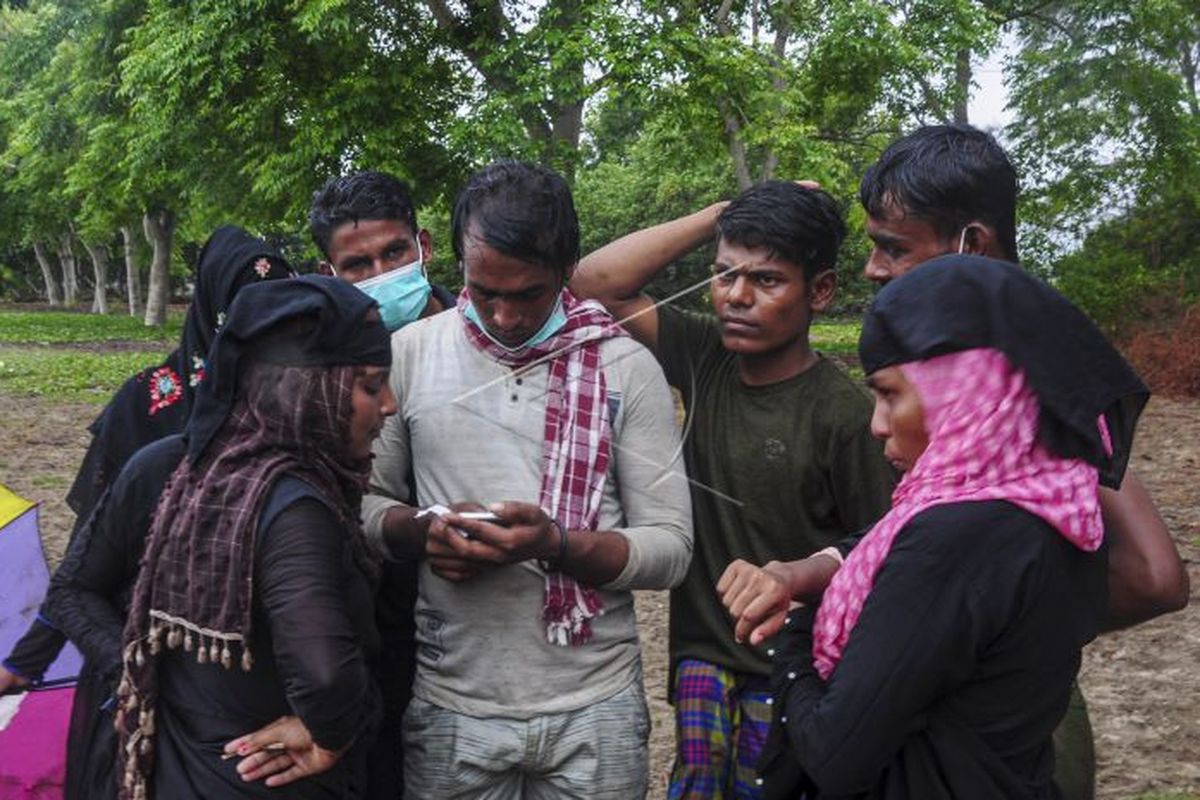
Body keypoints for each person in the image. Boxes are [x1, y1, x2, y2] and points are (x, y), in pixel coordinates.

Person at [725, 124, 1188, 800]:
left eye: (892, 248)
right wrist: (832, 577)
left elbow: (1152, 576)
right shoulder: (941, 369)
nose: (873, 269)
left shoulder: (1025, 386)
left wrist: (966, 635)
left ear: (971, 245)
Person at [362, 160, 693, 798]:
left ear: (568, 270)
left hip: (595, 710)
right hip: (453, 706)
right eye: (486, 291)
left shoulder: (626, 368)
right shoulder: (409, 356)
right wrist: (423, 532)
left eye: (529, 294)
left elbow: (671, 548)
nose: (506, 316)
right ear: (457, 261)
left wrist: (556, 545)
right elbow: (364, 505)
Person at [571, 181, 896, 799]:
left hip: (795, 665)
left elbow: (879, 548)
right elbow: (593, 284)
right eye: (724, 275)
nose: (737, 297)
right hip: (702, 653)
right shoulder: (703, 355)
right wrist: (728, 211)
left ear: (820, 291)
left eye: (767, 280)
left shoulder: (845, 415)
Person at [115, 275, 395, 799]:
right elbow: (324, 674)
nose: (390, 406)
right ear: (311, 392)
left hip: (184, 772)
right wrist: (331, 735)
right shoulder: (295, 506)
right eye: (371, 386)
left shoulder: (205, 477)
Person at [0, 227, 292, 693]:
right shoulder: (145, 406)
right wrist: (25, 661)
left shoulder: (299, 411)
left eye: (278, 310)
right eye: (242, 310)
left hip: (262, 672)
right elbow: (86, 561)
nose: (262, 331)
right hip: (140, 660)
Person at [308, 169, 457, 799]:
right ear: (328, 273)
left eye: (394, 253)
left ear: (423, 244)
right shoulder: (319, 369)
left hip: (479, 630)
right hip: (375, 628)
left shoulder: (487, 334)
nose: (379, 276)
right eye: (357, 264)